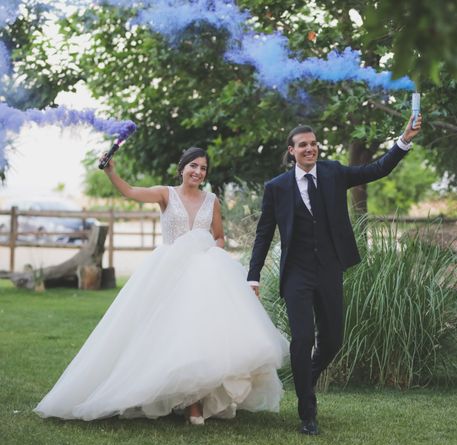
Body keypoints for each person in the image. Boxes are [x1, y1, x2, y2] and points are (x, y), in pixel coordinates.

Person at [34, 147, 288, 425]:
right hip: (170, 271)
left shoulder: (212, 201)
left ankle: (198, 401)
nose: (198, 172)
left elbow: (219, 237)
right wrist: (111, 172)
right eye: (193, 166)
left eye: (203, 168)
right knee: (170, 333)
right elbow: (130, 192)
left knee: (204, 333)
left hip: (206, 272)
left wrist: (208, 252)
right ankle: (180, 399)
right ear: (182, 168)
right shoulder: (166, 194)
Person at [247, 113, 422, 435]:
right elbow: (264, 233)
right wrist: (253, 275)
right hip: (296, 273)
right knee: (301, 339)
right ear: (291, 151)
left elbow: (377, 169)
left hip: (329, 269)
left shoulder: (333, 172)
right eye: (303, 145)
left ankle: (305, 378)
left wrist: (404, 140)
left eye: (314, 144)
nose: (310, 149)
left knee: (331, 342)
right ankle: (307, 411)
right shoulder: (277, 188)